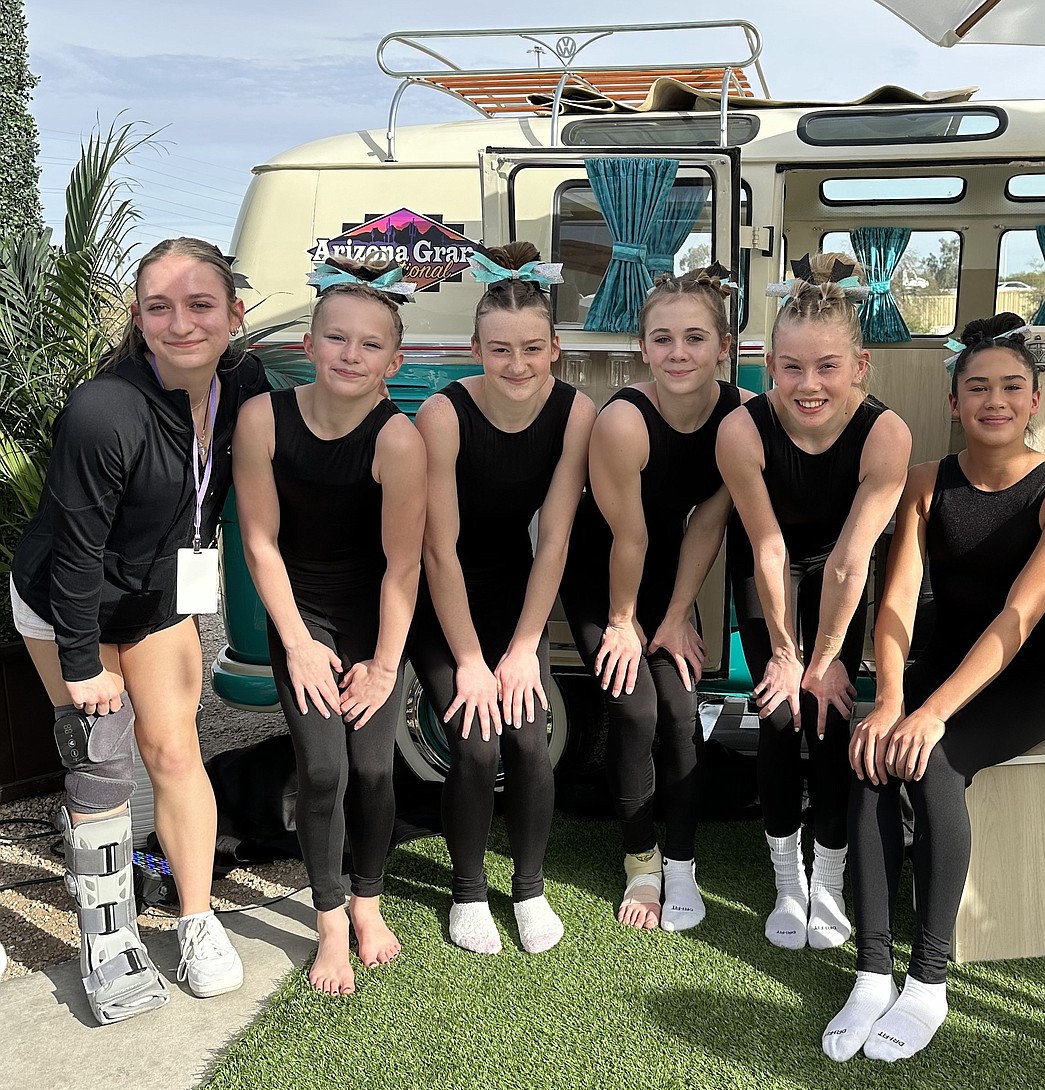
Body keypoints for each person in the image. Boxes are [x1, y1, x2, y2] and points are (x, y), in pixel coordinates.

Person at [9, 238, 271, 1023]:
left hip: (156, 599)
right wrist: (85, 667)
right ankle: (109, 938)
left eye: (200, 305)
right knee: (101, 761)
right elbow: (78, 555)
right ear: (137, 317)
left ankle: (196, 919)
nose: (181, 323)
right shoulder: (104, 410)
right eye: (159, 307)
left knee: (175, 750)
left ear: (234, 313)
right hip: (66, 602)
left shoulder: (243, 382)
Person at [827, 313, 1045, 1062]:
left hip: (1020, 683)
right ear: (954, 402)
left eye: (1012, 387)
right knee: (874, 759)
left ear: (1035, 399)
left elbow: (1021, 615)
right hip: (931, 671)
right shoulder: (924, 486)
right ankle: (873, 971)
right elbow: (895, 600)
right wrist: (889, 703)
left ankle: (928, 983)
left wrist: (933, 715)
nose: (995, 401)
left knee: (935, 765)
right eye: (977, 387)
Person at [233, 258, 426, 995]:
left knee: (374, 768)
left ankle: (368, 901)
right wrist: (299, 644)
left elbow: (401, 570)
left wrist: (382, 665)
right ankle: (331, 922)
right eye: (337, 339)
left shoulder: (398, 441)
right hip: (301, 614)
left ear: (393, 361)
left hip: (373, 616)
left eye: (371, 345)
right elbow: (259, 542)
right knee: (322, 769)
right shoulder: (264, 419)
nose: (352, 355)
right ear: (309, 346)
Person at [717, 252, 911, 951]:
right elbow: (768, 548)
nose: (808, 384)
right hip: (766, 561)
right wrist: (785, 654)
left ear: (860, 366)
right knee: (778, 713)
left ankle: (828, 877)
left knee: (827, 713)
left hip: (838, 564)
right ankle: (786, 880)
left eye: (827, 366)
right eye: (792, 367)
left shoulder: (885, 435)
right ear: (769, 364)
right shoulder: (742, 430)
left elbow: (852, 558)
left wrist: (827, 658)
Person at [410, 242, 594, 955]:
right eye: (499, 350)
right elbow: (438, 549)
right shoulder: (444, 414)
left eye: (530, 349)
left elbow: (552, 541)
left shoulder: (574, 413)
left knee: (530, 733)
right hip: (442, 599)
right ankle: (466, 892)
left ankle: (528, 887)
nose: (516, 365)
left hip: (515, 593)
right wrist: (469, 661)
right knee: (477, 742)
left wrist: (524, 649)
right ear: (474, 348)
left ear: (554, 346)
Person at [561, 266, 749, 933]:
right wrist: (621, 623)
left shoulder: (739, 415)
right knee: (637, 709)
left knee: (681, 710)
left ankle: (682, 863)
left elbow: (707, 521)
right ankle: (640, 861)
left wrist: (674, 617)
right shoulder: (623, 421)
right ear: (643, 347)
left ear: (724, 346)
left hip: (670, 565)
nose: (678, 352)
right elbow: (628, 536)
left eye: (695, 338)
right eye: (662, 338)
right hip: (600, 564)